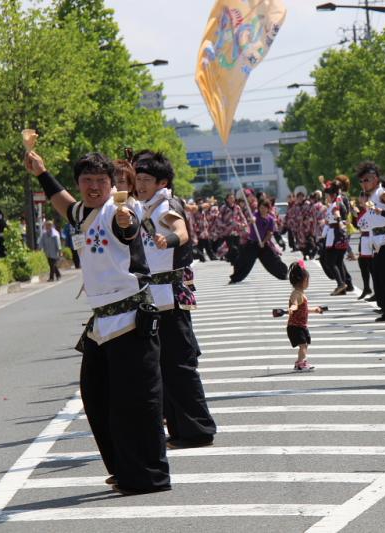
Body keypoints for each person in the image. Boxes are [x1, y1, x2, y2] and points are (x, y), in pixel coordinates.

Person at [24, 150, 170, 494]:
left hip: (130, 318)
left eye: (100, 181)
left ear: (110, 183)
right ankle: (123, 468)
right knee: (96, 396)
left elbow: (128, 226)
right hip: (101, 323)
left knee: (135, 401)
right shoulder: (84, 212)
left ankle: (148, 475)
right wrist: (42, 173)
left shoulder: (120, 210)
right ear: (79, 183)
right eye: (86, 181)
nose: (93, 186)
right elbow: (64, 204)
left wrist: (125, 222)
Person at [132, 152, 217, 450]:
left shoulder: (166, 205)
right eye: (137, 179)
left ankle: (198, 429)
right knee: (165, 366)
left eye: (145, 180)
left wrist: (168, 240)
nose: (139, 185)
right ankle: (181, 429)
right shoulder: (147, 205)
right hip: (156, 296)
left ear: (162, 182)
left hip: (170, 295)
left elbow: (180, 230)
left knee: (179, 365)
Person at [358, 162, 385, 321]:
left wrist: (382, 212)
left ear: (376, 179)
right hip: (374, 239)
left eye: (368, 179)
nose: (365, 183)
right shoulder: (369, 196)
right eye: (362, 180)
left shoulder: (382, 192)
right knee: (378, 276)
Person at [229, 199, 289, 283]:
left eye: (264, 208)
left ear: (268, 208)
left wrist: (264, 242)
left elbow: (270, 233)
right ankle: (235, 278)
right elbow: (253, 218)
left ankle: (283, 274)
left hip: (263, 244)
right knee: (244, 261)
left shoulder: (270, 219)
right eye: (261, 207)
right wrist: (252, 220)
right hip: (252, 244)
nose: (262, 209)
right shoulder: (256, 215)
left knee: (273, 260)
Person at [287, 260, 324, 372]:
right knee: (303, 345)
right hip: (295, 326)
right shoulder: (296, 294)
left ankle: (299, 362)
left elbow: (304, 309)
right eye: (308, 280)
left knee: (305, 345)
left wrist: (315, 310)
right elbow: (294, 304)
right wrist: (292, 308)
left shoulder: (301, 293)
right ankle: (301, 364)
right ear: (303, 281)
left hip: (301, 325)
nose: (308, 282)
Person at [321, 177, 353, 295]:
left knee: (330, 262)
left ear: (333, 194)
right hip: (340, 234)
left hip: (335, 235)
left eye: (327, 195)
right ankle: (343, 286)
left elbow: (336, 212)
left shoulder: (335, 204)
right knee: (338, 262)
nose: (326, 197)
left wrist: (338, 220)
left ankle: (341, 284)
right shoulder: (337, 201)